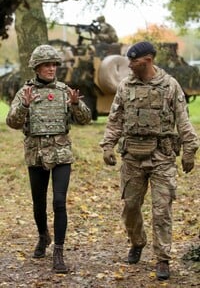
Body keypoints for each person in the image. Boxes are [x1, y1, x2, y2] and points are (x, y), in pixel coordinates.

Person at [100, 41, 199, 280]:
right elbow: (116, 119)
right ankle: (137, 241)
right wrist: (107, 146)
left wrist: (189, 149)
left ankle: (163, 258)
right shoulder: (125, 86)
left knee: (162, 209)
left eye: (134, 60)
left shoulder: (170, 85)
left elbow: (183, 120)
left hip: (162, 156)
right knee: (130, 206)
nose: (130, 65)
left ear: (148, 60)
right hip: (132, 157)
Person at [6, 44, 91, 274]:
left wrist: (75, 104)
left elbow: (85, 119)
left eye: (54, 64)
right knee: (39, 203)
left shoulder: (65, 91)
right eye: (46, 65)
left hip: (61, 154)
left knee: (59, 202)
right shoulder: (26, 92)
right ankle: (44, 236)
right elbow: (12, 122)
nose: (51, 68)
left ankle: (59, 252)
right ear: (36, 67)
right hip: (36, 154)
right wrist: (24, 105)